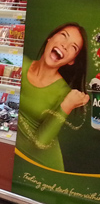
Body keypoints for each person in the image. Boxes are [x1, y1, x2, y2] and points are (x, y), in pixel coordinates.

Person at [17, 23, 90, 171]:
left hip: (43, 168)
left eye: (73, 47)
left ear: (71, 60)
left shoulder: (64, 94)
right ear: (49, 38)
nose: (65, 46)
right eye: (64, 35)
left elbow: (41, 143)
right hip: (13, 156)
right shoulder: (19, 63)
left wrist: (67, 105)